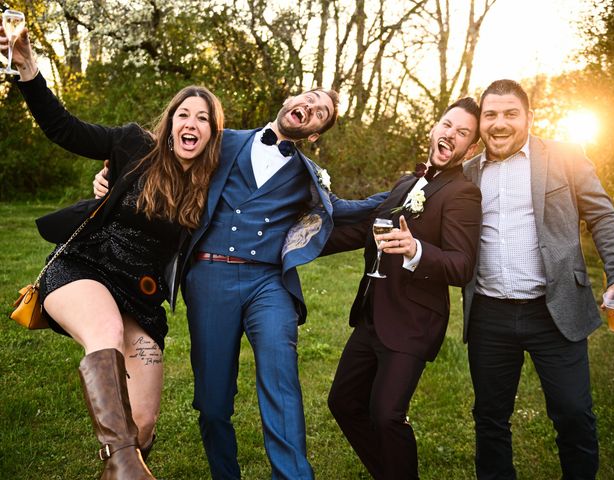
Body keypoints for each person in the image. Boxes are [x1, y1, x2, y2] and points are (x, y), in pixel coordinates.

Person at [93, 86, 388, 478]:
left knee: (282, 383)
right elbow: (162, 155)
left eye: (320, 113)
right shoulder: (221, 141)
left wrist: (407, 193)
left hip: (269, 283)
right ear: (289, 100)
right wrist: (111, 176)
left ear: (315, 133)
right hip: (210, 278)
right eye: (309, 98)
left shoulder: (308, 176)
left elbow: (346, 210)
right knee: (213, 403)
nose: (310, 108)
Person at [2, 26, 224, 479]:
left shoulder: (212, 186)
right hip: (85, 268)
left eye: (203, 119)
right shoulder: (134, 146)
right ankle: (127, 467)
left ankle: (122, 465)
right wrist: (28, 70)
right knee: (105, 331)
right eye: (185, 114)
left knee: (141, 423)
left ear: (213, 133)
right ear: (171, 121)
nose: (192, 124)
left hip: (140, 299)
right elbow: (65, 128)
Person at [462, 79, 614, 480]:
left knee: (574, 415)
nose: (500, 123)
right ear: (481, 122)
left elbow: (602, 216)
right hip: (489, 314)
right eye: (491, 115)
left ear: (528, 117)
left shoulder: (565, 157)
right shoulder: (467, 172)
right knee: (490, 419)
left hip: (554, 310)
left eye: (510, 113)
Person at [323, 97, 483, 479]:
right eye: (448, 125)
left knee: (386, 414)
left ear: (471, 149)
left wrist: (417, 250)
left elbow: (462, 265)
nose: (451, 135)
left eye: (463, 133)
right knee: (343, 403)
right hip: (373, 314)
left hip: (413, 321)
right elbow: (368, 230)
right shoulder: (407, 182)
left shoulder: (463, 194)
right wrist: (297, 245)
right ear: (435, 127)